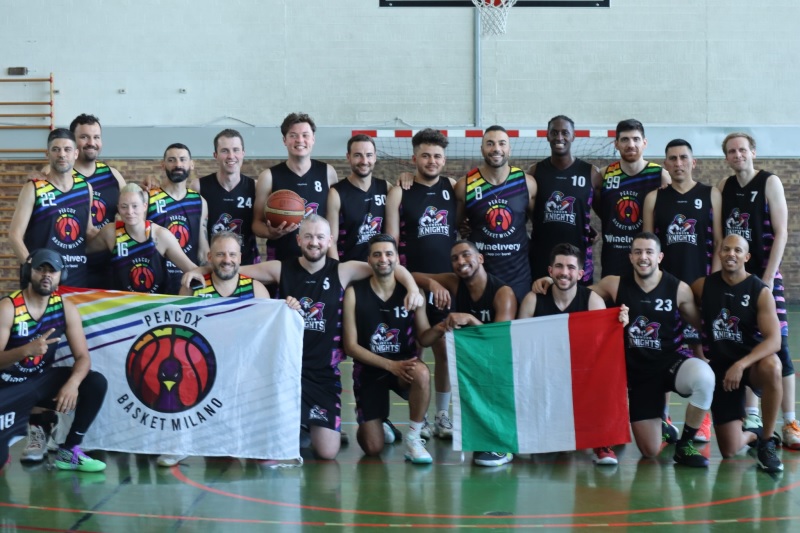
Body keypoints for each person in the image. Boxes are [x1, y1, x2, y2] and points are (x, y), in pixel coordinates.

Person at [182, 216, 423, 460]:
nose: (314, 242)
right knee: (269, 450)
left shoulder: (343, 270)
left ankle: (308, 426)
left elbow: (389, 267)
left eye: (320, 237)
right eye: (308, 236)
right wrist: (200, 269)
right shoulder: (280, 268)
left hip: (323, 373)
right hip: (284, 370)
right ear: (298, 239)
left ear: (330, 241)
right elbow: (233, 269)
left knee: (328, 453)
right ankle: (297, 425)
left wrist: (413, 288)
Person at [588, 233, 715, 468]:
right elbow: (581, 296)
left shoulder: (679, 289)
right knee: (649, 452)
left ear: (660, 257)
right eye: (638, 252)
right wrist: (547, 282)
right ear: (630, 257)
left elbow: (704, 327)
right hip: (639, 375)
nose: (643, 257)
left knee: (704, 377)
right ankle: (663, 426)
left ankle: (685, 444)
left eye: (649, 252)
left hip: (670, 363)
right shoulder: (614, 284)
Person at [155, 231, 270, 467]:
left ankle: (256, 437)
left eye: (231, 254)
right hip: (201, 366)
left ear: (240, 257)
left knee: (262, 378)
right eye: (220, 254)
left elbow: (269, 336)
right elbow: (178, 331)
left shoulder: (256, 289)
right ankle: (180, 441)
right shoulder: (194, 285)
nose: (226, 259)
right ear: (209, 257)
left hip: (240, 366)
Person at [717, 132, 797, 450]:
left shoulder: (770, 182)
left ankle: (790, 421)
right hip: (736, 279)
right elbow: (723, 235)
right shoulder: (724, 188)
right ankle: (751, 414)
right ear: (726, 157)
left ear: (753, 152)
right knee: (744, 341)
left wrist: (766, 277)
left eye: (742, 150)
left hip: (764, 277)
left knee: (781, 347)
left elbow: (781, 233)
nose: (737, 155)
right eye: (731, 151)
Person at [518, 243, 628, 466]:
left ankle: (601, 440)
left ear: (580, 273)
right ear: (550, 271)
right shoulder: (534, 299)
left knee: (607, 374)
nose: (564, 272)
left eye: (570, 267)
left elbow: (602, 347)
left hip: (580, 373)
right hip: (544, 374)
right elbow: (519, 344)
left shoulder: (592, 301)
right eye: (559, 266)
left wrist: (618, 324)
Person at [642, 138, 723, 443]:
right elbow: (649, 246)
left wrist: (713, 282)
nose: (678, 163)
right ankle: (663, 417)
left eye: (683, 157)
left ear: (693, 162)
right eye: (672, 158)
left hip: (699, 283)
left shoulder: (709, 194)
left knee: (700, 350)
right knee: (661, 348)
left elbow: (718, 243)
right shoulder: (654, 199)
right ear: (666, 164)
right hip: (664, 288)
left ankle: (700, 422)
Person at [0, 249, 107, 472]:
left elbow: (82, 358)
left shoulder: (65, 308)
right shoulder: (8, 308)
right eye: (41, 269)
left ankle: (69, 450)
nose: (46, 275)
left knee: (95, 382)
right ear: (29, 271)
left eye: (53, 271)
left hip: (38, 382)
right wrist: (25, 351)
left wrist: (73, 384)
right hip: (7, 386)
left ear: (61, 276)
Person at [412, 240, 517, 467]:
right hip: (475, 365)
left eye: (466, 255)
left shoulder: (503, 293)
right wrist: (433, 284)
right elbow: (412, 275)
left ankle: (505, 445)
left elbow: (498, 344)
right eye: (455, 258)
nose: (460, 261)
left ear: (480, 258)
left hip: (502, 366)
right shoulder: (454, 282)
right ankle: (483, 435)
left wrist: (470, 319)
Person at [343, 234, 442, 464]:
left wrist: (441, 327)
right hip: (369, 370)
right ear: (368, 259)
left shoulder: (412, 293)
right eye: (377, 254)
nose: (383, 259)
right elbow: (350, 346)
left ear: (397, 258)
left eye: (389, 254)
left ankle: (414, 439)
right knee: (372, 447)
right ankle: (379, 422)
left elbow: (424, 339)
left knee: (422, 372)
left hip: (405, 368)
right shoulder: (354, 293)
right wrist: (390, 365)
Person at [385, 128, 457, 440]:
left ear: (444, 159)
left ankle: (442, 415)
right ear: (414, 158)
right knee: (414, 351)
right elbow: (391, 246)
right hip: (411, 283)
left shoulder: (452, 187)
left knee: (444, 348)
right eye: (425, 155)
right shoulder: (400, 191)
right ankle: (420, 417)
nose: (431, 161)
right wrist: (414, 283)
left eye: (437, 156)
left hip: (446, 286)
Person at [691, 234, 784, 472]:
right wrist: (698, 352)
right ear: (720, 253)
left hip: (751, 366)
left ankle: (765, 442)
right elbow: (685, 314)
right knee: (730, 451)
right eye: (726, 249)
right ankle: (752, 435)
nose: (731, 254)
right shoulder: (703, 286)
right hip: (722, 369)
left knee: (773, 366)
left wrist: (742, 365)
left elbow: (774, 341)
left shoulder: (759, 291)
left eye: (737, 250)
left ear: (747, 256)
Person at [40, 114, 127, 289]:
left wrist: (150, 185)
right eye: (84, 137)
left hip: (107, 267)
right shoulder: (54, 173)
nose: (91, 142)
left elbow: (134, 209)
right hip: (69, 266)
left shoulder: (113, 175)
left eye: (96, 137)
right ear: (73, 144)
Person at [455, 125, 536, 303]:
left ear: (509, 149)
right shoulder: (465, 185)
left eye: (502, 143)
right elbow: (454, 227)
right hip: (480, 276)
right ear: (482, 149)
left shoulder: (526, 182)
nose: (496, 149)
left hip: (518, 277)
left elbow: (538, 224)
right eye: (490, 144)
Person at [8, 128, 97, 288]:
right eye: (56, 149)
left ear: (76, 153)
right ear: (47, 154)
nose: (62, 154)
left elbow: (89, 232)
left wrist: (118, 235)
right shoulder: (34, 188)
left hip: (76, 278)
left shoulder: (86, 188)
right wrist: (32, 268)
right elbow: (14, 235)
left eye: (67, 149)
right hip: (42, 281)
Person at [252, 113, 338, 262]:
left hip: (319, 259)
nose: (300, 140)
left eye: (305, 135)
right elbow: (256, 224)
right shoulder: (268, 176)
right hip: (281, 258)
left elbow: (333, 223)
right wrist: (271, 232)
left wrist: (334, 262)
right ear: (284, 140)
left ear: (313, 139)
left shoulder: (328, 172)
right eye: (293, 135)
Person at [528, 116, 602, 283]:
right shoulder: (535, 172)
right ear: (547, 136)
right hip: (542, 258)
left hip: (578, 258)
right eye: (554, 133)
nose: (559, 138)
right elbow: (525, 212)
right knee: (542, 305)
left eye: (565, 133)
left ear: (573, 136)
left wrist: (588, 227)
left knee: (580, 306)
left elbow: (604, 211)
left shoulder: (591, 172)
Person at [88, 184, 197, 293]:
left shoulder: (161, 235)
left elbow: (193, 269)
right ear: (118, 208)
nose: (130, 212)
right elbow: (83, 252)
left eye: (135, 206)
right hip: (122, 305)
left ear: (145, 207)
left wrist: (205, 270)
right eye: (124, 206)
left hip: (156, 305)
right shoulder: (110, 232)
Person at [596, 119, 670, 278]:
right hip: (613, 256)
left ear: (644, 143)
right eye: (625, 139)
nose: (631, 144)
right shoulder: (605, 174)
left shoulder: (660, 175)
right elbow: (597, 207)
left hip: (647, 258)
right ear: (616, 144)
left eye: (636, 139)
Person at [146, 143, 209, 294]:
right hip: (155, 283)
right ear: (163, 165)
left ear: (191, 164)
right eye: (172, 160)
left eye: (183, 159)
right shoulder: (149, 198)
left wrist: (209, 276)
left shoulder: (199, 201)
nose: (178, 164)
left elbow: (202, 249)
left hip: (187, 283)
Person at [195, 129, 261, 265]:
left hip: (247, 262)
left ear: (243, 153)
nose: (231, 156)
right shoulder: (199, 186)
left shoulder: (255, 187)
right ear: (216, 155)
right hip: (212, 263)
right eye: (225, 151)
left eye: (236, 150)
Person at [326, 134, 390, 261]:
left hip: (380, 267)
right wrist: (338, 274)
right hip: (351, 269)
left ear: (375, 157)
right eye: (357, 155)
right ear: (348, 157)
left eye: (369, 155)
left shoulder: (386, 188)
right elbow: (331, 242)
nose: (364, 161)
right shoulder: (336, 193)